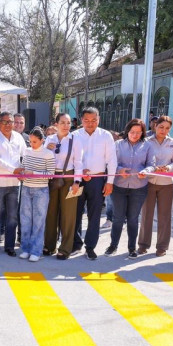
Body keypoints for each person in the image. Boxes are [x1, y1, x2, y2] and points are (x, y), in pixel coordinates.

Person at [104, 119, 155, 259]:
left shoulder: (148, 146)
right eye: (132, 132)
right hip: (119, 186)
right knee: (118, 218)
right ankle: (113, 246)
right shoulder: (117, 145)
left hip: (139, 187)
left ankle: (132, 248)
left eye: (138, 132)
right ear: (128, 131)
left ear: (143, 133)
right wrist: (119, 170)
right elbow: (110, 163)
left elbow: (151, 164)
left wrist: (146, 170)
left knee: (133, 219)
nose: (135, 135)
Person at [72, 107, 117, 260]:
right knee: (75, 213)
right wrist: (79, 173)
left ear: (99, 119)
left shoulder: (106, 136)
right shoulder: (74, 135)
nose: (90, 124)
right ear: (81, 120)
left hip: (98, 180)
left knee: (95, 214)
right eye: (86, 120)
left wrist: (109, 182)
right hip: (77, 180)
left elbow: (112, 160)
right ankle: (75, 244)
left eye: (93, 120)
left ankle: (90, 246)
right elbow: (70, 158)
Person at [138, 115, 173, 257]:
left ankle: (162, 246)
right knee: (146, 215)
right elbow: (142, 161)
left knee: (165, 216)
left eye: (167, 128)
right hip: (148, 182)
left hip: (167, 184)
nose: (164, 130)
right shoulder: (146, 142)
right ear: (155, 126)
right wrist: (152, 168)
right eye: (161, 127)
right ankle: (143, 244)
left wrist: (168, 168)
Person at [0, 112, 26, 257]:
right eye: (5, 122)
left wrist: (23, 170)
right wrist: (13, 169)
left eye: (11, 122)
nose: (9, 125)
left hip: (14, 184)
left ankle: (9, 246)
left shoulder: (18, 137)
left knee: (12, 217)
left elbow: (24, 156)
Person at [43, 113, 83, 260]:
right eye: (63, 123)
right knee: (51, 213)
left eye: (68, 123)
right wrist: (47, 148)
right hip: (52, 178)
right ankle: (49, 245)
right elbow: (44, 158)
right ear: (56, 124)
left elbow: (79, 162)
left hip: (69, 177)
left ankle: (65, 249)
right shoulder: (50, 139)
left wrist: (77, 182)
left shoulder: (75, 140)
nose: (66, 126)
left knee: (68, 215)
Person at [17, 127, 56, 262]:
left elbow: (51, 174)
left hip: (41, 190)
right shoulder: (27, 152)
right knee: (25, 220)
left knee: (38, 221)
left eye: (34, 142)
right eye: (30, 141)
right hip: (26, 188)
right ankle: (25, 249)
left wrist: (34, 174)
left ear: (42, 140)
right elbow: (23, 167)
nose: (31, 144)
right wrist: (21, 175)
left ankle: (36, 251)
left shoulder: (48, 154)